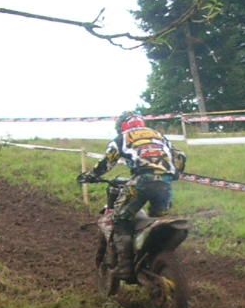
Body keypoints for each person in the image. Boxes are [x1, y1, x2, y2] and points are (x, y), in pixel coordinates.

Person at [77, 111, 187, 279]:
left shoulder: (123, 138)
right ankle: (155, 259)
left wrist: (92, 175)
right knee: (156, 220)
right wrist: (175, 174)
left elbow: (107, 161)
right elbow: (180, 156)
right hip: (165, 184)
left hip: (142, 181)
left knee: (120, 218)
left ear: (122, 125)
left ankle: (125, 266)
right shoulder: (159, 136)